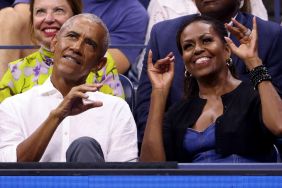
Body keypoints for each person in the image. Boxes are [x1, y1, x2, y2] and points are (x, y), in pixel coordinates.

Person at [136, 0, 282, 146]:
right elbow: (146, 114)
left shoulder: (269, 35)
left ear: (227, 50)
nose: (198, 49)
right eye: (188, 46)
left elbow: (278, 123)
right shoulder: (162, 34)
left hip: (256, 157)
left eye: (206, 40)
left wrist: (253, 62)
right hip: (181, 159)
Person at [0, 13, 138, 162]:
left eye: (90, 44)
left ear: (99, 65)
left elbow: (123, 178)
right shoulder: (15, 107)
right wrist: (56, 116)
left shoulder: (116, 110)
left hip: (92, 186)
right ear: (54, 43)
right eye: (72, 36)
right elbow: (9, 172)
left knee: (84, 146)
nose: (77, 47)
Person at [0, 0, 124, 103]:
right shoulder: (17, 70)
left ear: (76, 17)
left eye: (59, 10)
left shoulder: (100, 65)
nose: (48, 19)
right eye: (40, 11)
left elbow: (116, 115)